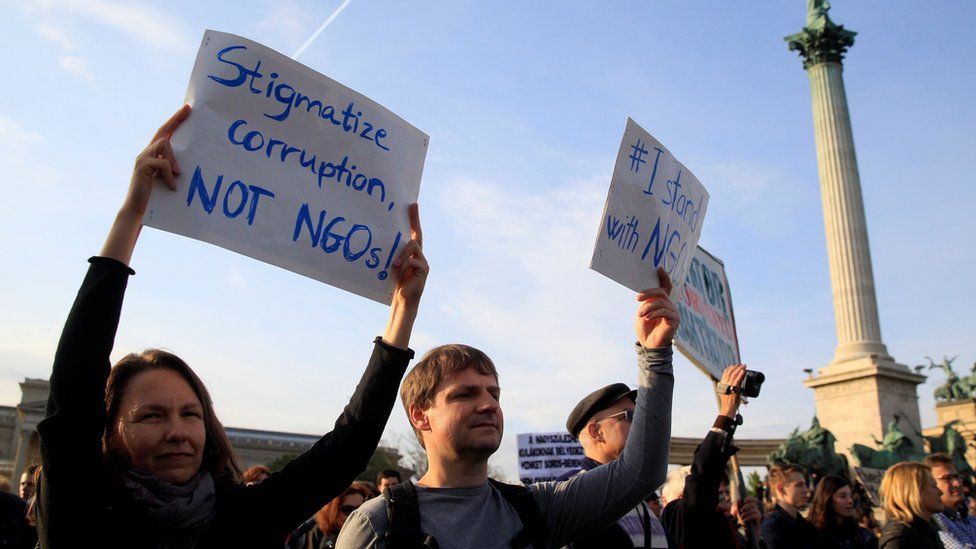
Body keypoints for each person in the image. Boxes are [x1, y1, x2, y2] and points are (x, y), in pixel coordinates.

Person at [34, 105, 429, 548]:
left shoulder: (240, 518)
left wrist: (402, 312)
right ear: (110, 429)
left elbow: (347, 448)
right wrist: (131, 216)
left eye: (191, 414)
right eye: (151, 415)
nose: (178, 432)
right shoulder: (78, 505)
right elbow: (76, 376)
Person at [337, 267, 680, 548]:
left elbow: (642, 472)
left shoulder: (537, 508)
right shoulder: (378, 524)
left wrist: (655, 355)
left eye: (494, 394)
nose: (487, 405)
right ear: (420, 414)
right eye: (464, 395)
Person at [660, 364, 763, 548]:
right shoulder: (675, 516)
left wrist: (753, 534)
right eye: (688, 492)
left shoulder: (725, 524)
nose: (716, 497)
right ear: (666, 500)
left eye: (719, 493)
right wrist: (727, 413)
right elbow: (702, 480)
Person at [557, 381, 669, 547]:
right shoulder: (570, 493)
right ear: (596, 431)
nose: (640, 425)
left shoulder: (639, 497)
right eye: (630, 417)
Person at [878, 461, 945, 548]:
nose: (940, 492)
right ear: (915, 491)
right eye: (933, 486)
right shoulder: (900, 537)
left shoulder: (927, 530)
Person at [289, 482, 372, 549]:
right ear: (333, 512)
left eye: (360, 509)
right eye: (347, 510)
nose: (354, 514)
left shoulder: (375, 537)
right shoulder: (319, 539)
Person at [807, 474, 878, 548]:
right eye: (842, 496)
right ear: (827, 499)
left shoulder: (858, 533)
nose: (850, 501)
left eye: (850, 496)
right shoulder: (811, 533)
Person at [925, 453, 976, 548]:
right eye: (947, 478)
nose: (957, 483)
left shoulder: (968, 518)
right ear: (930, 484)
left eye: (957, 477)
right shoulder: (934, 522)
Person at [761, 463, 816, 548]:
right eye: (799, 485)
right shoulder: (772, 527)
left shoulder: (803, 524)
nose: (806, 490)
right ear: (780, 489)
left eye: (805, 485)